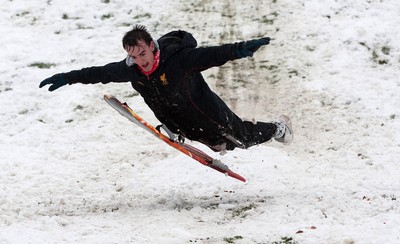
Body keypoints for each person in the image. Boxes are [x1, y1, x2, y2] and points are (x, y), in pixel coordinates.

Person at [39, 24, 293, 152]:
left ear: (151, 46)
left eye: (142, 53)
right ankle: (179, 130)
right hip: (175, 120)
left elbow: (212, 54)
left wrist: (239, 48)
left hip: (207, 111)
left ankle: (278, 128)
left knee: (241, 140)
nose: (141, 61)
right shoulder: (130, 69)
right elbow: (99, 73)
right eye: (134, 57)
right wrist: (67, 77)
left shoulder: (178, 60)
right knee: (205, 137)